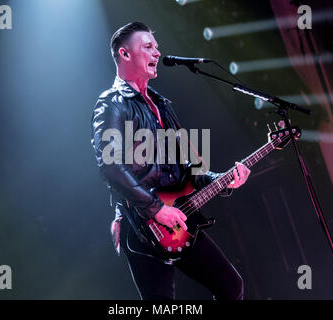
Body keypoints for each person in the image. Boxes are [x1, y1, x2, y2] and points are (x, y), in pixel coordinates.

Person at [91, 22, 251, 300]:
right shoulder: (111, 104)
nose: (157, 52)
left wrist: (225, 180)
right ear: (125, 54)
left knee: (231, 287)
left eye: (157, 46)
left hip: (180, 217)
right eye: (148, 47)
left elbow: (193, 167)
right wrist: (154, 209)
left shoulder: (161, 104)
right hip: (142, 225)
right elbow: (110, 166)